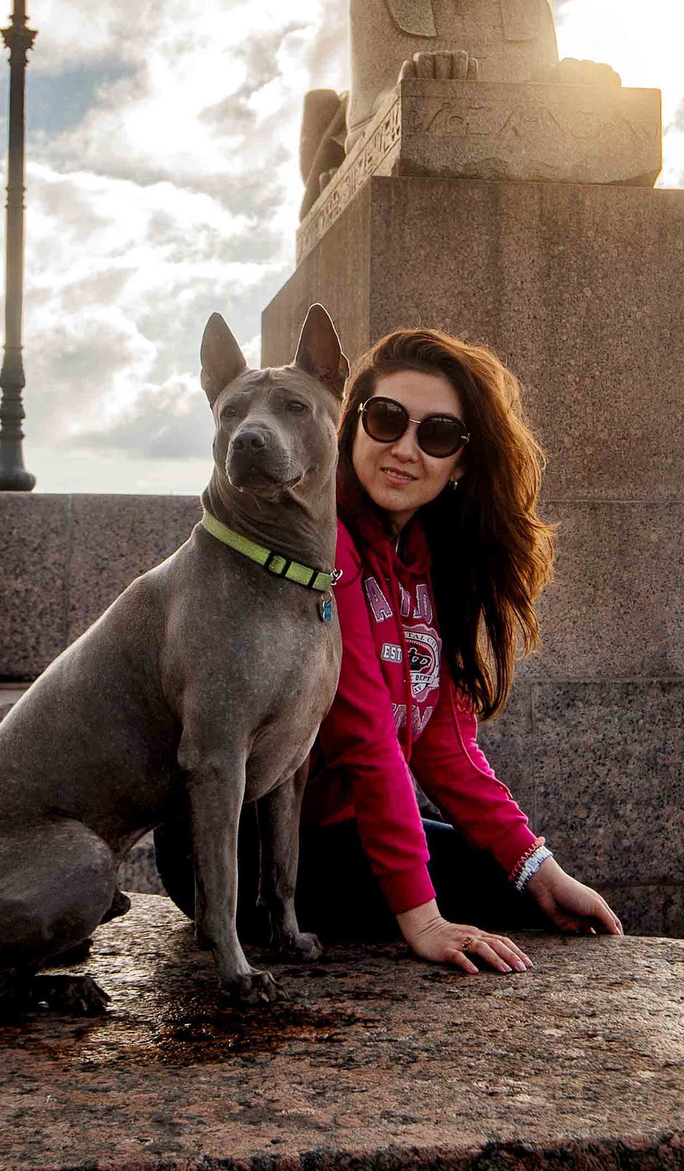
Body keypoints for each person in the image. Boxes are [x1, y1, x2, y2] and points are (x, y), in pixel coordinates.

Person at [159, 327, 620, 974]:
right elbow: (364, 734)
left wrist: (539, 868)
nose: (405, 449)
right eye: (386, 420)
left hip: (334, 832)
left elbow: (443, 746)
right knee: (491, 901)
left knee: (516, 888)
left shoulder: (433, 563)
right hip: (237, 852)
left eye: (436, 435)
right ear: (350, 423)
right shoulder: (318, 548)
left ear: (463, 459)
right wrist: (422, 921)